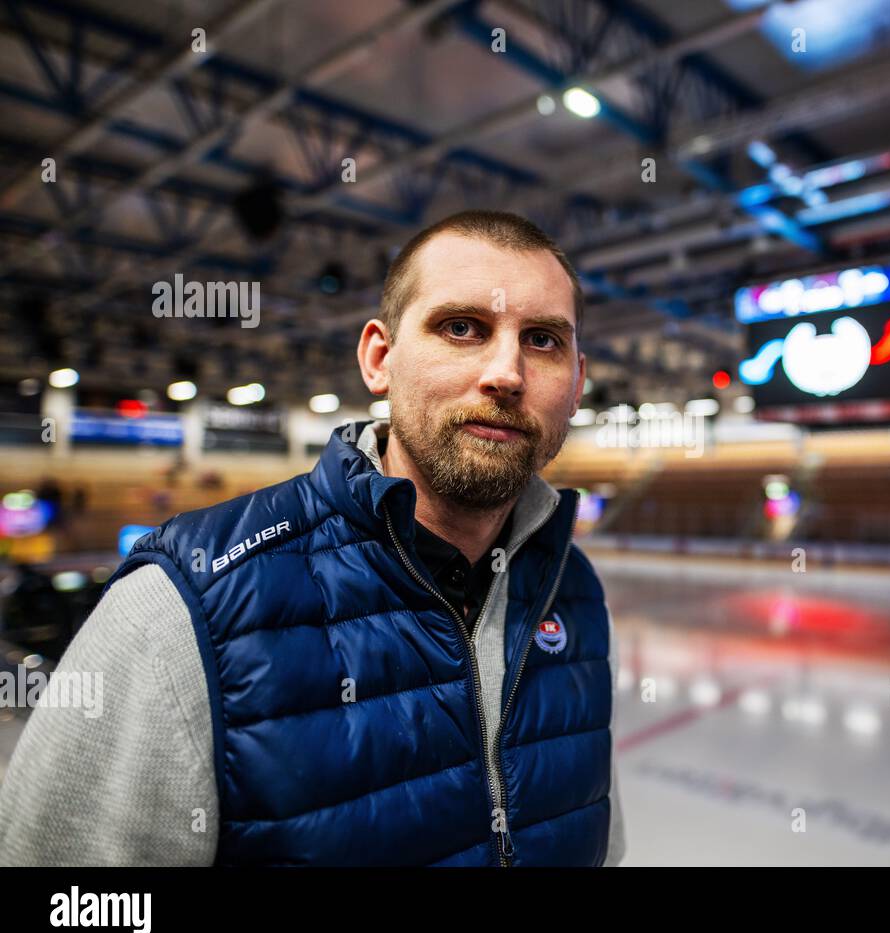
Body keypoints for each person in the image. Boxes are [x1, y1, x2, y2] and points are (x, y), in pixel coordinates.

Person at [0, 209, 625, 867]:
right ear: (380, 360)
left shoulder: (573, 589)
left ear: (578, 382)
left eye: (544, 340)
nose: (507, 373)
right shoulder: (184, 607)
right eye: (461, 328)